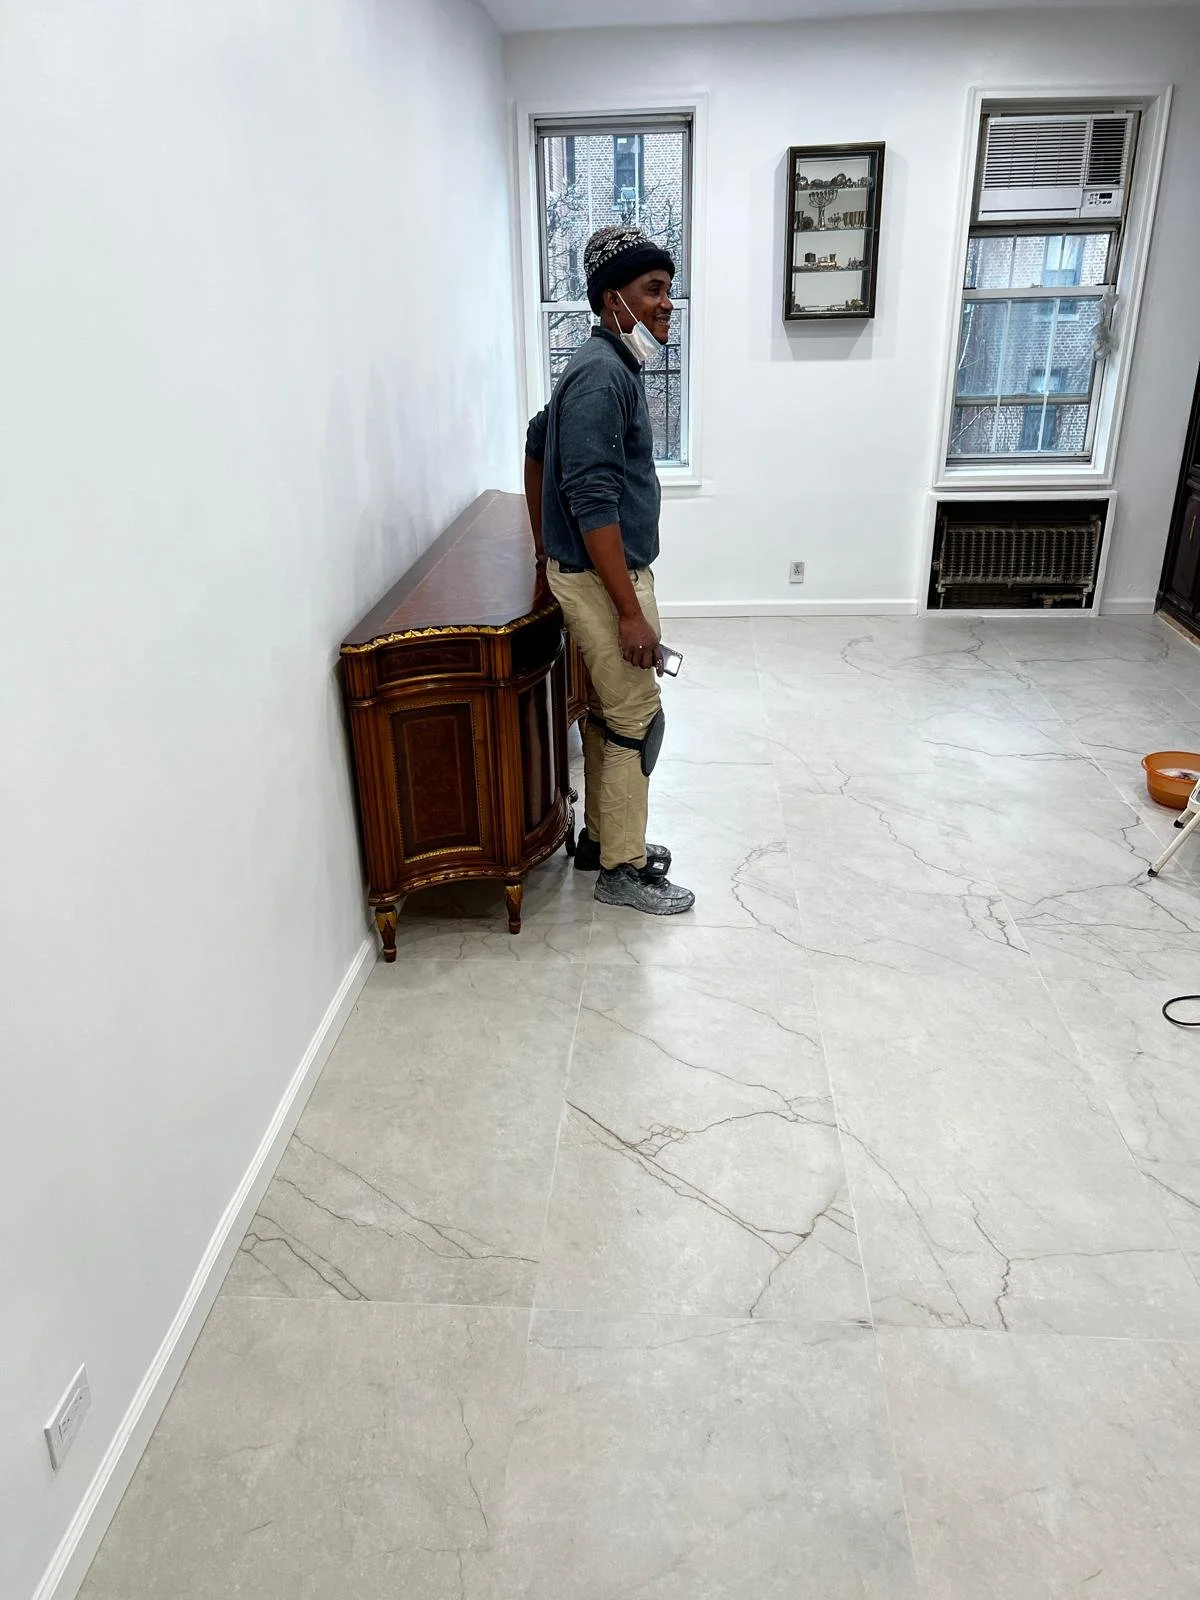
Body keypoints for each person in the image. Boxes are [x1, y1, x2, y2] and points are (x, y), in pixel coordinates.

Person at [524, 224, 695, 916]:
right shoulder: (601, 377)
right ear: (611, 298)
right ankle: (622, 868)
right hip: (605, 580)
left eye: (669, 291)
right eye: (653, 290)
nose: (667, 304)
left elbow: (535, 443)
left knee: (607, 714)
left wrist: (544, 550)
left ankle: (601, 839)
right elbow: (591, 499)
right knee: (636, 718)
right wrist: (628, 611)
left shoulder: (600, 364)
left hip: (592, 573)